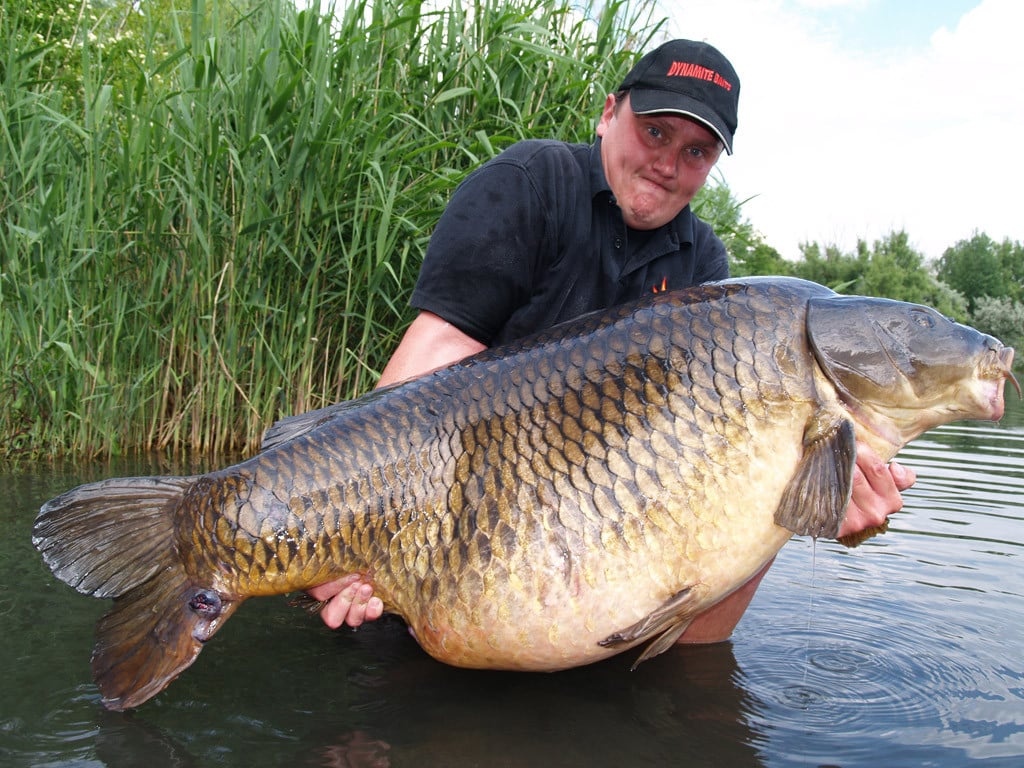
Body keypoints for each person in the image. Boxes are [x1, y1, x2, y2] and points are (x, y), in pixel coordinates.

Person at [307, 39, 916, 642]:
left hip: (593, 529)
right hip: (456, 523)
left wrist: (824, 496)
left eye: (696, 151)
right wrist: (342, 519)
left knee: (775, 460)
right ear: (608, 114)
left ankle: (664, 684)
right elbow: (430, 362)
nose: (669, 164)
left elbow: (705, 471)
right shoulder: (531, 184)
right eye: (654, 133)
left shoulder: (704, 263)